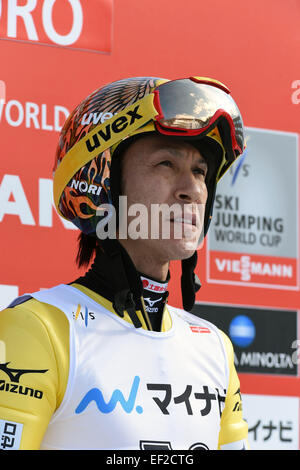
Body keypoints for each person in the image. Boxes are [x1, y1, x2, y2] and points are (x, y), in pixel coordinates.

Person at [0, 76, 249, 450]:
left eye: (200, 171)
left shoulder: (214, 347)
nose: (193, 189)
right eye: (166, 163)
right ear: (102, 182)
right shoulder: (38, 329)